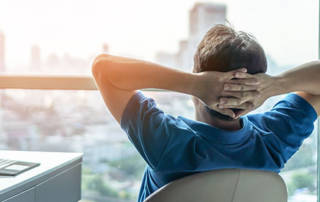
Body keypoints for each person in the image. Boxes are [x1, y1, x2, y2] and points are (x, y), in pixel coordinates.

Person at [91, 24, 320, 202]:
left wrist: (193, 84)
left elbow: (103, 68)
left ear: (198, 75)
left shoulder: (168, 142)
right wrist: (275, 85)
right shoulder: (273, 140)